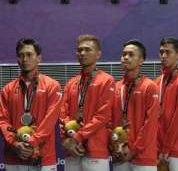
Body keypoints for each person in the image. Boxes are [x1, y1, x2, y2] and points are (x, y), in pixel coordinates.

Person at [0, 38, 62, 171]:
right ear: (17, 60)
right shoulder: (7, 90)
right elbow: (2, 121)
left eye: (29, 55)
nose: (25, 59)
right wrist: (14, 143)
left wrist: (32, 142)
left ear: (39, 58)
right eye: (21, 55)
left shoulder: (52, 86)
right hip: (14, 157)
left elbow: (50, 121)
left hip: (43, 159)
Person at [61, 34, 115, 171]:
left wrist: (77, 137)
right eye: (80, 50)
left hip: (95, 151)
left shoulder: (107, 80)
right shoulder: (71, 83)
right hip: (71, 150)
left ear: (98, 54)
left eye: (87, 49)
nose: (82, 53)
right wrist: (67, 140)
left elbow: (103, 116)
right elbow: (62, 114)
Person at [111, 40, 159, 170]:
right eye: (124, 54)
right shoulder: (116, 87)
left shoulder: (150, 87)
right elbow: (110, 122)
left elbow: (150, 124)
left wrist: (134, 150)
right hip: (120, 155)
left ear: (141, 60)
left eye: (131, 54)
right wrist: (115, 146)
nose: (125, 57)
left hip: (143, 157)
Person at [154, 38, 178, 171]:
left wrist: (165, 149)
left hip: (177, 149)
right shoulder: (158, 82)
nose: (163, 56)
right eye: (161, 52)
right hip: (159, 148)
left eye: (168, 52)